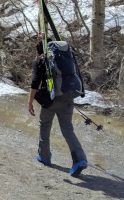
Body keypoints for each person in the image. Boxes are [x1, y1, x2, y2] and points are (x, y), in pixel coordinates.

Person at [27, 40, 88, 177]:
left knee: (45, 125)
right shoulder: (63, 57)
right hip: (68, 96)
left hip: (52, 100)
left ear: (38, 51)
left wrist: (30, 101)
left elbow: (35, 82)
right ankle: (80, 159)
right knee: (67, 129)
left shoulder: (41, 60)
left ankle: (44, 157)